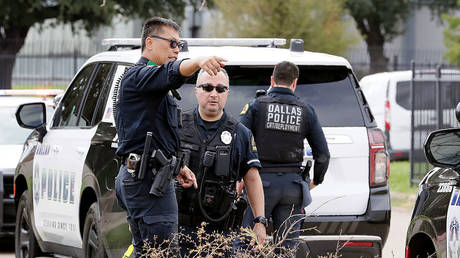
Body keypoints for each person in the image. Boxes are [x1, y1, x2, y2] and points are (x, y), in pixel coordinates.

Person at [114, 17, 227, 257]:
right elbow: (172, 73)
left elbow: (159, 133)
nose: (177, 49)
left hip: (151, 177)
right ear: (150, 42)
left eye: (180, 44)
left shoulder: (153, 86)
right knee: (163, 253)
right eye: (173, 43)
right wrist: (197, 62)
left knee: (148, 252)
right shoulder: (139, 77)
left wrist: (179, 166)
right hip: (147, 182)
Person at [239, 61, 330, 253]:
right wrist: (316, 181)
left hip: (260, 186)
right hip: (292, 189)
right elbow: (323, 155)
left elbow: (239, 141)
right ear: (295, 83)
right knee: (287, 249)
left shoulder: (256, 106)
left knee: (248, 245)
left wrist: (239, 179)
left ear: (271, 80)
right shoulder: (306, 110)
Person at [176, 68, 267, 255]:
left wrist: (260, 222)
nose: (214, 94)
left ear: (227, 93)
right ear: (196, 90)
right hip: (177, 228)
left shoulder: (240, 133)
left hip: (219, 235)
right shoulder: (176, 126)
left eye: (220, 89)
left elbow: (252, 179)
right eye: (207, 87)